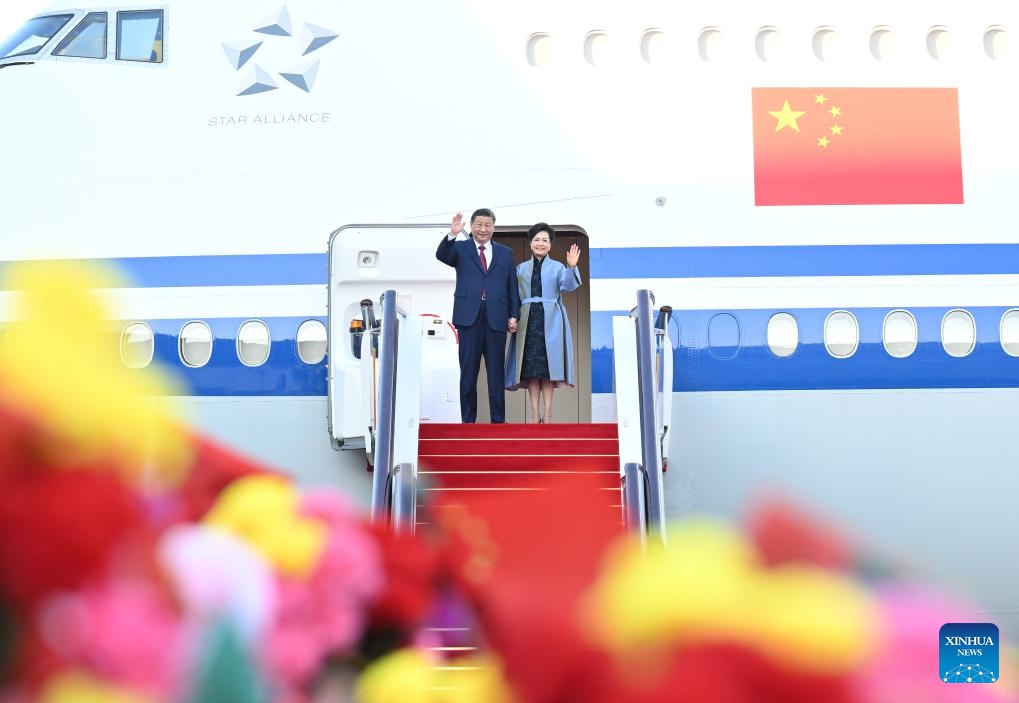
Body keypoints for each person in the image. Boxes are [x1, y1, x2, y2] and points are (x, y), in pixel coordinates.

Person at [436, 208, 520, 423]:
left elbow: (512, 286)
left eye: (487, 225)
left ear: (494, 227)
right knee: (468, 373)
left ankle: (498, 420)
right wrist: (453, 234)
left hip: (496, 317)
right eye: (479, 225)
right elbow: (442, 256)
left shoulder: (505, 253)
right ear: (472, 226)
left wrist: (513, 314)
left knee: (496, 374)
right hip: (468, 318)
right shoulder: (461, 249)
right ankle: (468, 421)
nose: (483, 229)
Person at [505, 223, 581, 423]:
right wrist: (511, 317)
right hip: (527, 321)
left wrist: (571, 267)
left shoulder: (558, 267)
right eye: (536, 239)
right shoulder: (520, 269)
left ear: (550, 245)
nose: (540, 243)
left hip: (552, 321)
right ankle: (534, 414)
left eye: (544, 240)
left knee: (548, 369)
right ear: (530, 244)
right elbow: (513, 296)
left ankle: (547, 414)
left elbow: (567, 286)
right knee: (531, 370)